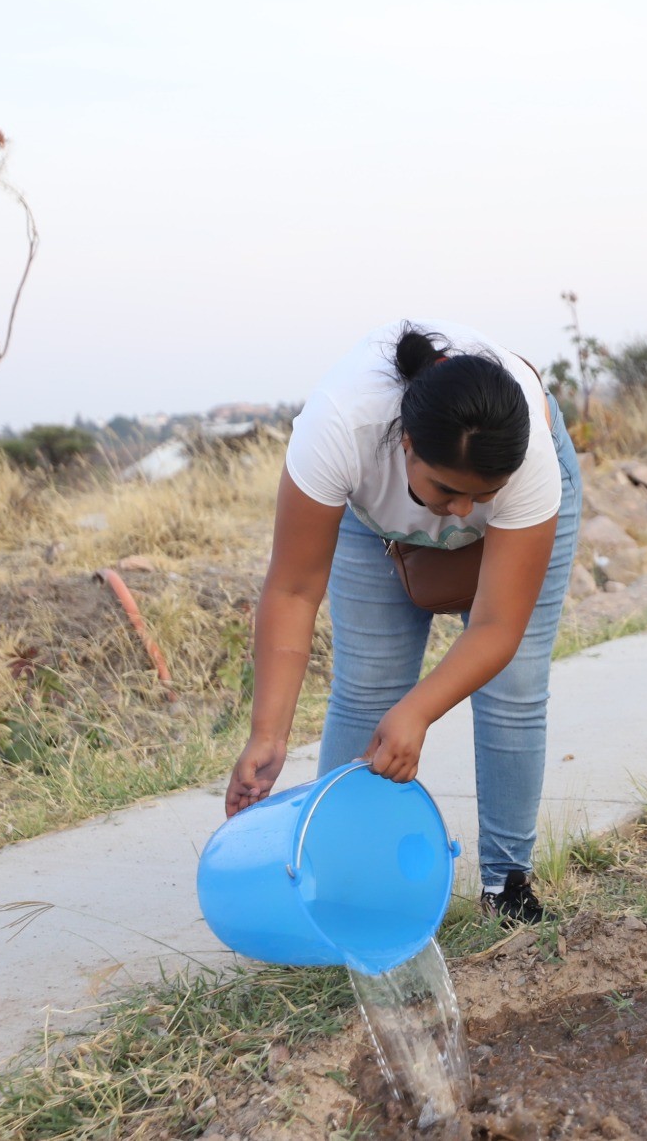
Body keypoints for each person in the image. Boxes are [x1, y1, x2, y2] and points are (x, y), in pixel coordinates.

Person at [225, 321, 583, 924]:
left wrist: (418, 712)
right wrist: (268, 733)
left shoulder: (529, 464)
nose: (464, 513)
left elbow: (497, 626)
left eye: (482, 495)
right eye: (447, 491)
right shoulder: (340, 426)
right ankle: (340, 884)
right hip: (372, 523)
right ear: (408, 444)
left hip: (520, 504)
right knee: (368, 687)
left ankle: (507, 886)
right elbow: (292, 588)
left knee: (513, 687)